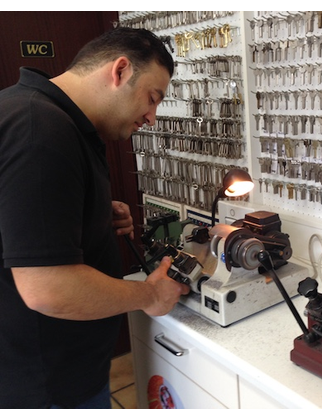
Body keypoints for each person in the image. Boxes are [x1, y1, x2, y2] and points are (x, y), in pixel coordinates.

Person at [0, 26, 190, 409]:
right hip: (47, 385)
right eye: (152, 98)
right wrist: (150, 294)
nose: (151, 117)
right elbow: (47, 288)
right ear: (119, 71)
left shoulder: (28, 110)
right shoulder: (42, 132)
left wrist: (87, 212)